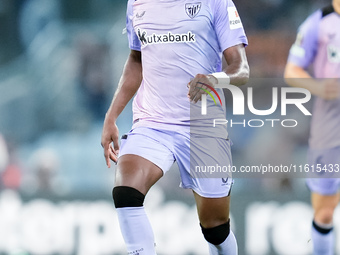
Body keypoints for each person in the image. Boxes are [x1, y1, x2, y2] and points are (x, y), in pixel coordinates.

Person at [101, 0, 249, 254]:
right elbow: (137, 60)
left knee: (215, 229)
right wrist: (111, 116)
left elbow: (241, 69)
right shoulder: (136, 3)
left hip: (204, 127)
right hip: (153, 122)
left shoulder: (216, 3)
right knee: (126, 191)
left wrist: (215, 79)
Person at [284, 1, 340, 254]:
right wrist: (318, 87)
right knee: (324, 211)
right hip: (330, 124)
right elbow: (292, 70)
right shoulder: (317, 23)